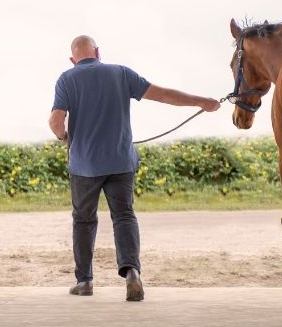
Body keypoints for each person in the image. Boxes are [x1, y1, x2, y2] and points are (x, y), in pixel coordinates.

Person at [49, 35, 220, 301]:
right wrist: (202, 101)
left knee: (84, 221)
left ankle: (84, 281)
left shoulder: (67, 79)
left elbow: (56, 121)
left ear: (73, 59)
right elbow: (163, 94)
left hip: (84, 165)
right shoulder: (120, 73)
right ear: (98, 52)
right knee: (124, 216)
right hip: (120, 161)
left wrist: (64, 137)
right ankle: (132, 273)